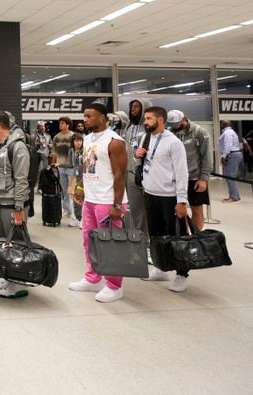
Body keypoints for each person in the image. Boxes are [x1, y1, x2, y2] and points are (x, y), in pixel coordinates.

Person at [69, 104, 129, 303]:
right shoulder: (87, 139)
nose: (85, 119)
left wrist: (117, 205)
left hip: (108, 200)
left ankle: (114, 285)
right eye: (84, 116)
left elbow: (120, 175)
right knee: (89, 240)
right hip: (91, 199)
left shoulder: (115, 142)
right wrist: (80, 188)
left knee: (110, 243)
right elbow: (87, 165)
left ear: (103, 118)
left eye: (89, 116)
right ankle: (93, 277)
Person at [135, 107, 190, 292]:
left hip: (170, 197)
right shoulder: (145, 138)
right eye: (145, 118)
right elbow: (143, 162)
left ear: (160, 120)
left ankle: (182, 274)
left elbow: (182, 173)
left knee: (177, 237)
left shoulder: (173, 143)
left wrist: (182, 201)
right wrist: (137, 156)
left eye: (149, 118)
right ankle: (160, 267)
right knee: (156, 236)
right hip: (150, 193)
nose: (145, 122)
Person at [0, 111, 31, 299]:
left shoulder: (18, 147)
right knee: (5, 244)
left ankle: (19, 283)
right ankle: (10, 278)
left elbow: (22, 179)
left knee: (17, 244)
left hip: (12, 203)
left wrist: (19, 208)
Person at [168, 110, 213, 230]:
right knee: (179, 210)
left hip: (195, 178)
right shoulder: (169, 133)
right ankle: (184, 239)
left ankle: (196, 238)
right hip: (176, 179)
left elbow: (206, 156)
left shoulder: (199, 132)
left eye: (176, 124)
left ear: (184, 119)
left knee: (197, 210)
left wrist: (204, 178)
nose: (174, 127)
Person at [122, 98, 151, 233]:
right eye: (132, 106)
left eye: (137, 107)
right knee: (134, 208)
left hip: (147, 173)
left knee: (149, 208)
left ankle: (149, 238)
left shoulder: (148, 127)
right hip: (129, 172)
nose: (133, 109)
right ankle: (140, 239)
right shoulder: (129, 125)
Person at [52, 116, 75, 220]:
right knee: (64, 190)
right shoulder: (56, 137)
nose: (60, 125)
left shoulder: (73, 136)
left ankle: (75, 211)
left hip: (71, 167)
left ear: (68, 125)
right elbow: (54, 152)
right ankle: (67, 210)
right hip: (61, 167)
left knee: (72, 190)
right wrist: (53, 164)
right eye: (59, 123)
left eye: (62, 123)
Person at [218, 120, 243, 204]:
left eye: (221, 123)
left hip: (231, 155)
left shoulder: (227, 133)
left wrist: (223, 156)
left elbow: (228, 145)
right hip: (233, 154)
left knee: (230, 177)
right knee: (230, 177)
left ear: (223, 125)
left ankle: (234, 198)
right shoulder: (230, 132)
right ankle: (235, 196)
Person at [68, 133, 84, 228]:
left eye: (80, 140)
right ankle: (77, 218)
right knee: (75, 198)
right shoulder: (71, 151)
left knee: (83, 197)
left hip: (83, 177)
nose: (78, 143)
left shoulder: (84, 151)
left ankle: (83, 219)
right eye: (76, 141)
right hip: (75, 176)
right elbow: (71, 164)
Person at [33, 121, 52, 195]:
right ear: (38, 127)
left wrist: (51, 146)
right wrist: (37, 144)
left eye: (43, 126)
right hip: (36, 154)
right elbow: (31, 144)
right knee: (36, 172)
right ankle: (35, 187)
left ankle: (41, 187)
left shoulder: (48, 136)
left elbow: (51, 144)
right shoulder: (34, 135)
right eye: (41, 126)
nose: (42, 128)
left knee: (44, 171)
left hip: (45, 155)